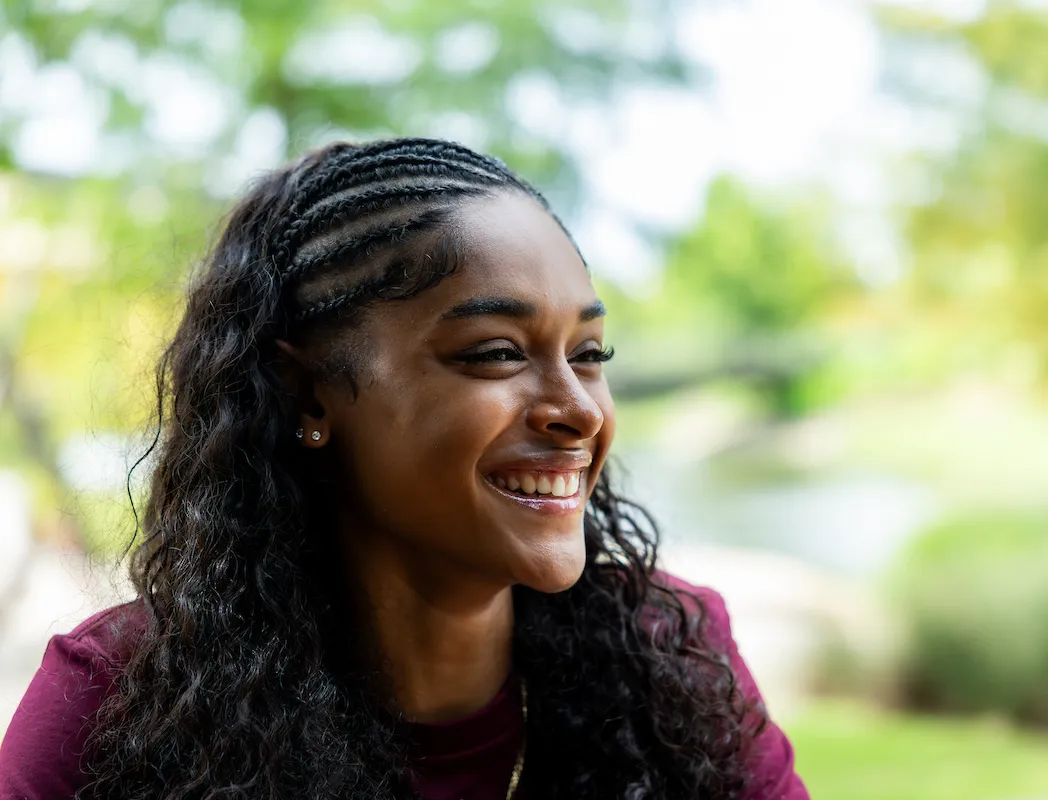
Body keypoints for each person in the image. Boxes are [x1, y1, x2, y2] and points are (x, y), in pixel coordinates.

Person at [0, 138, 809, 799]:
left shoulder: (672, 661)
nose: (581, 409)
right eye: (496, 353)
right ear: (308, 395)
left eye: (589, 354)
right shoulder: (119, 708)